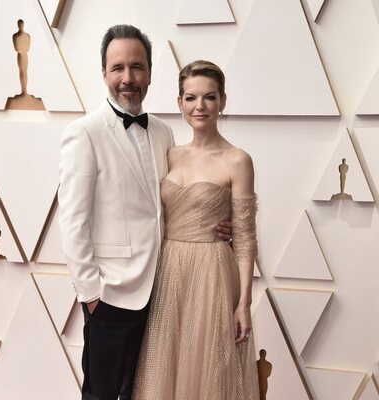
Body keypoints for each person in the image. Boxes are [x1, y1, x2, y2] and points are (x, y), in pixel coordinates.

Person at [58, 26, 230, 400]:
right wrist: (92, 296)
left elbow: (171, 202)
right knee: (101, 394)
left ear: (150, 73)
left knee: (146, 392)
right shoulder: (84, 133)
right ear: (104, 73)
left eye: (136, 67)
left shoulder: (165, 133)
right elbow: (72, 222)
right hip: (110, 295)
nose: (127, 78)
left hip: (162, 289)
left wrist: (215, 222)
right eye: (117, 67)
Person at [132, 60, 260, 400]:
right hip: (169, 271)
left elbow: (246, 237)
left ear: (223, 101)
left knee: (208, 371)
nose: (199, 106)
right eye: (190, 98)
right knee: (165, 368)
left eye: (209, 97)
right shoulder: (169, 154)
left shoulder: (237, 160)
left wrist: (244, 303)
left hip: (212, 274)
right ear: (179, 103)